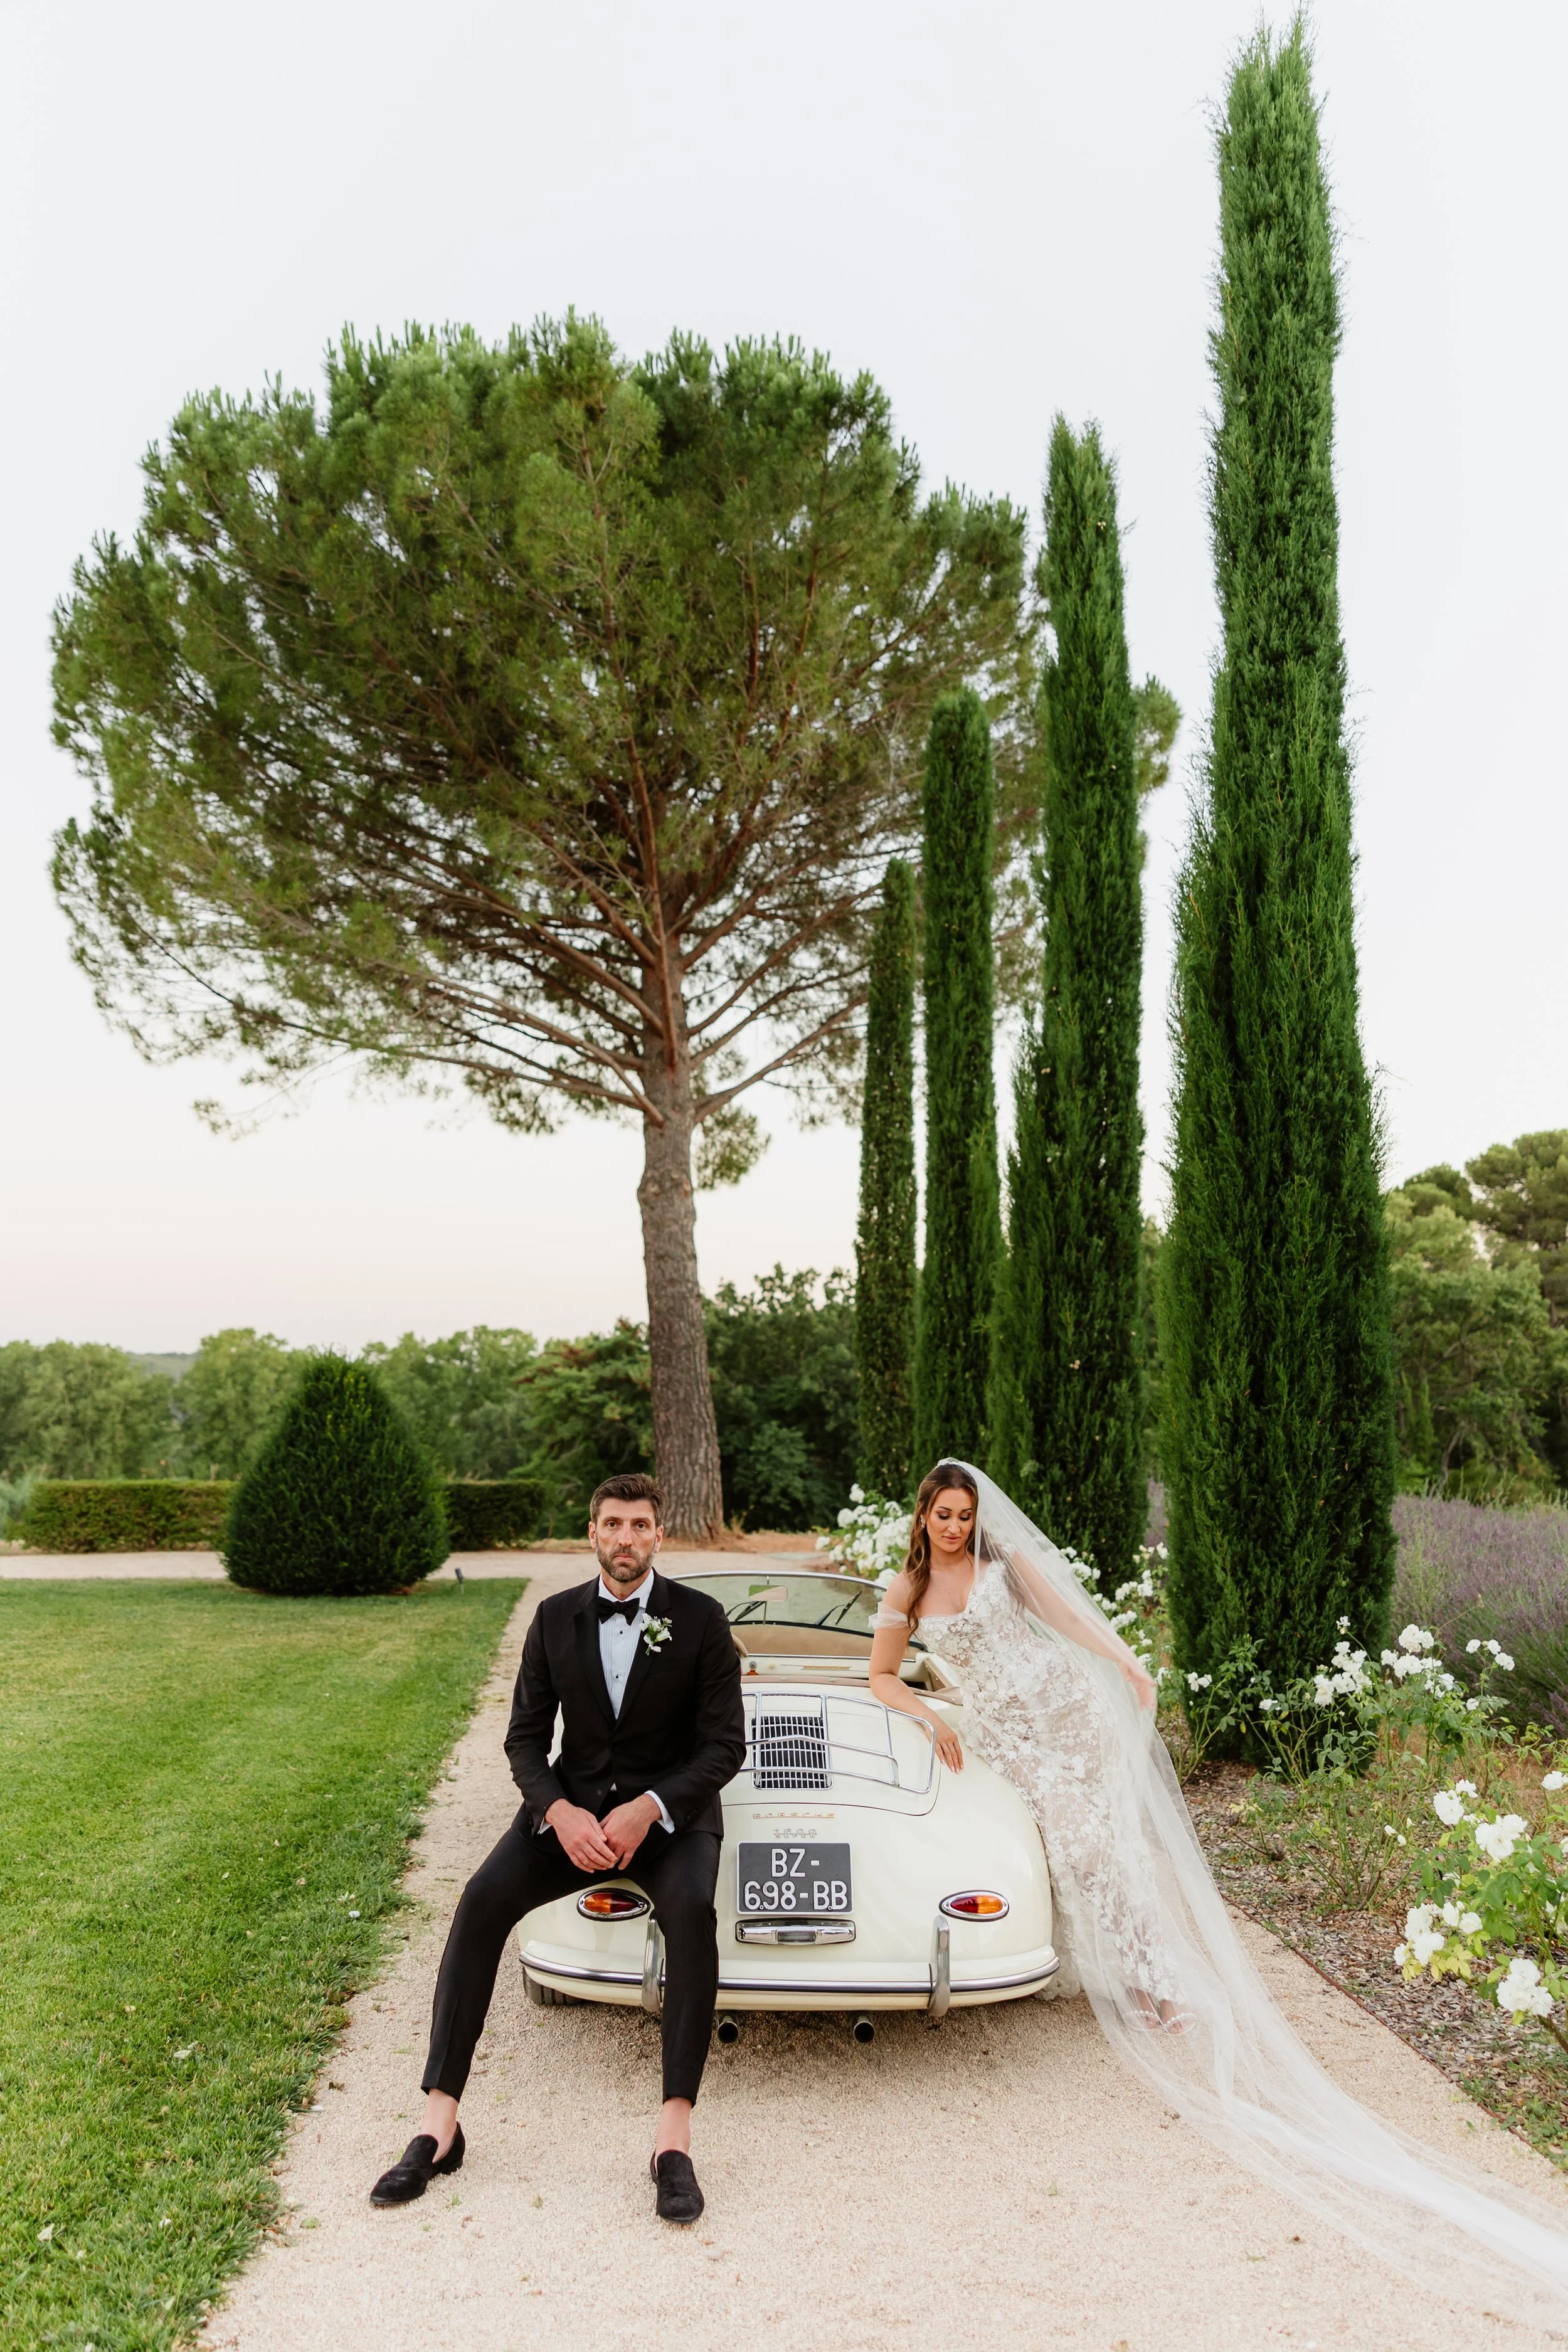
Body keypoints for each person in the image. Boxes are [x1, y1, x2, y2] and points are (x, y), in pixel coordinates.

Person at [871, 1459, 1568, 2331]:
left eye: (964, 1513)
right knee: (1083, 1850)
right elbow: (882, 1677)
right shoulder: (907, 1585)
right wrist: (931, 1712)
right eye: (942, 1513)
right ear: (922, 1515)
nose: (953, 1525)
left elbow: (1072, 1623)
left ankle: (1153, 1979)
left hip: (1065, 1711)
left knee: (1116, 1848)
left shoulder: (1004, 1569)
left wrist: (1130, 1668)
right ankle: (1118, 1964)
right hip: (1012, 1734)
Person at [368, 1472, 745, 2225]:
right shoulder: (551, 1619)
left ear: (658, 1535)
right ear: (594, 1533)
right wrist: (559, 1811)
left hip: (668, 1822)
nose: (626, 1538)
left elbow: (723, 1746)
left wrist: (651, 1807)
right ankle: (439, 2125)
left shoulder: (701, 1620)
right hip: (568, 1818)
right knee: (479, 1903)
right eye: (613, 1524)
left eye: (640, 1525)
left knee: (691, 1911)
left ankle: (673, 2143)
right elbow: (524, 1741)